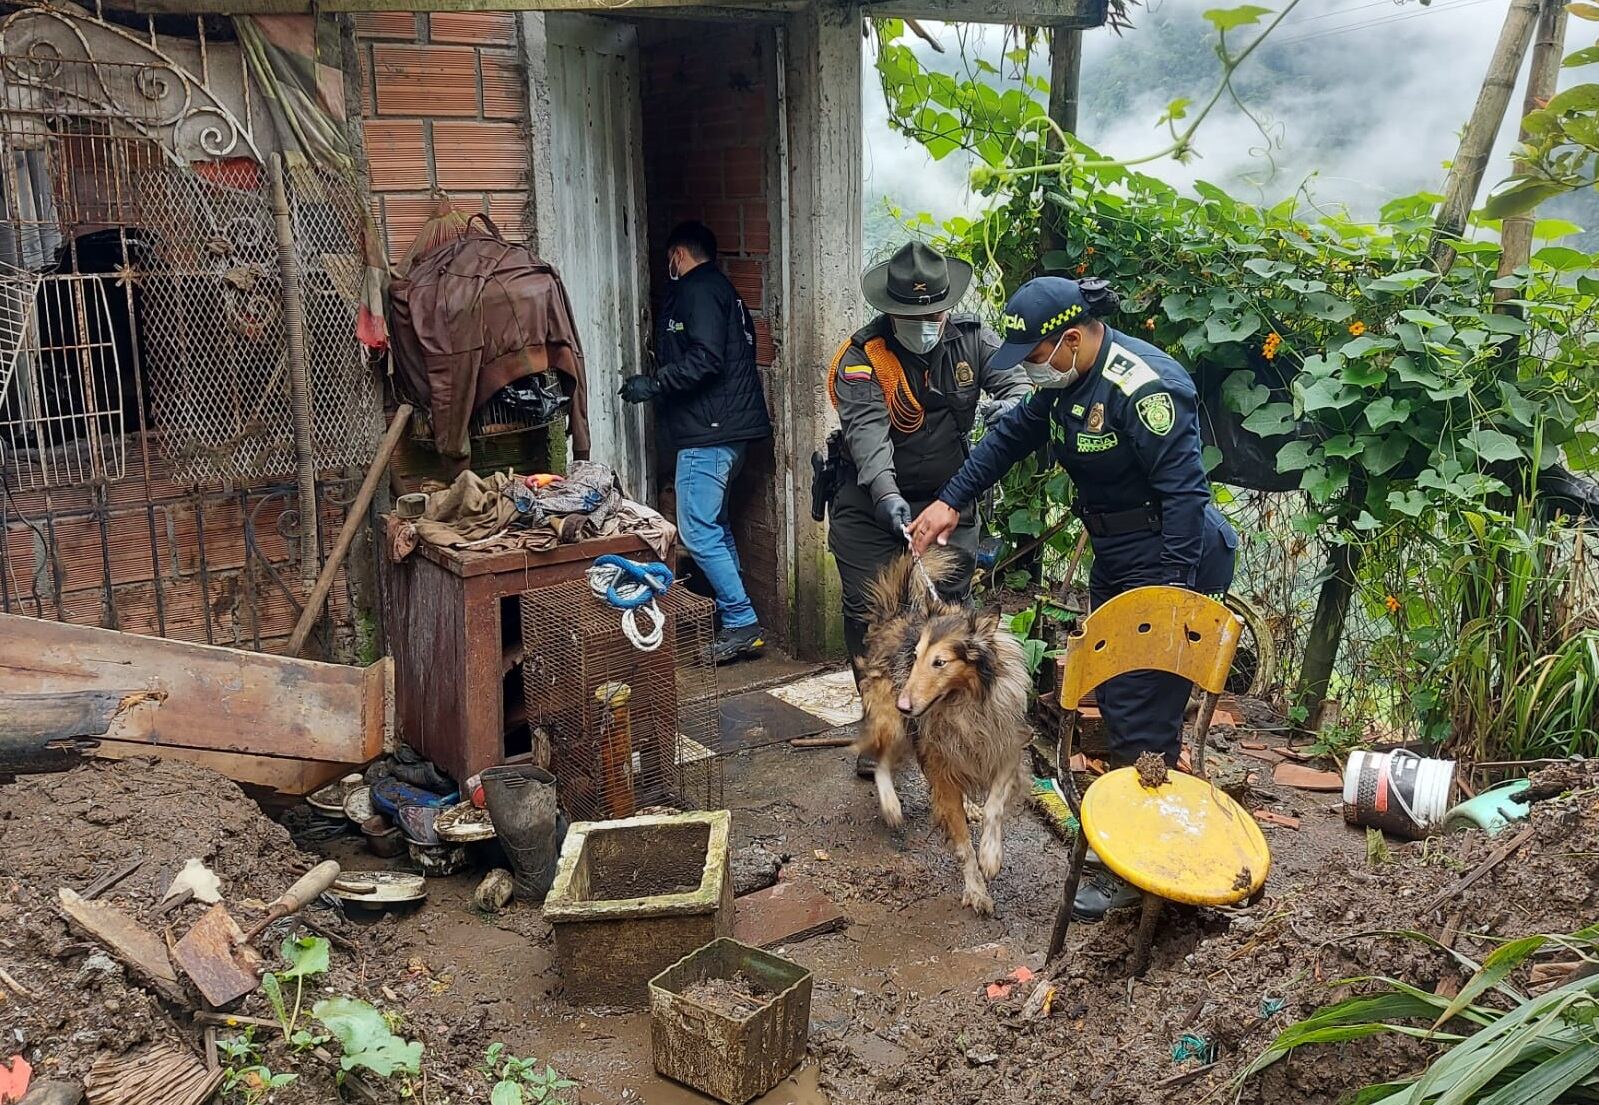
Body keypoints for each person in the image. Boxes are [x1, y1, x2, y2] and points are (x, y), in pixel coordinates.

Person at [907, 275, 1238, 921]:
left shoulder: (1145, 390)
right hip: (1119, 553)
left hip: (1171, 557)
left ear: (1070, 338)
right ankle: (1141, 835)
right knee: (1116, 696)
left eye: (1035, 357)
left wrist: (1164, 609)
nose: (1030, 370)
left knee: (1143, 707)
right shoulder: (1064, 386)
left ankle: (1144, 875)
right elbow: (1006, 440)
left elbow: (1185, 502)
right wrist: (949, 500)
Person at [827, 242, 1032, 774]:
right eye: (912, 317)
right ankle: (880, 729)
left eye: (933, 314)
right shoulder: (862, 357)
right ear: (890, 312)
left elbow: (1018, 385)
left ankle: (942, 727)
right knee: (867, 615)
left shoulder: (972, 339)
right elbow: (869, 440)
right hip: (871, 503)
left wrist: (1007, 408)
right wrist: (891, 503)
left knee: (948, 612)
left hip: (949, 500)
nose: (925, 324)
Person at [621, 221, 772, 663]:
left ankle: (742, 622)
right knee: (715, 525)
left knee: (697, 530)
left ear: (678, 255)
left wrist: (656, 383)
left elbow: (706, 358)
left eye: (669, 258)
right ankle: (736, 617)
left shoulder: (699, 290)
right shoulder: (723, 291)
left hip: (710, 432)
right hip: (727, 431)